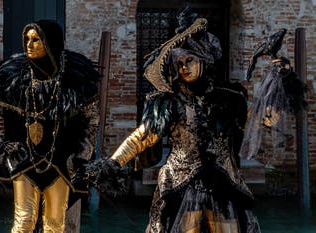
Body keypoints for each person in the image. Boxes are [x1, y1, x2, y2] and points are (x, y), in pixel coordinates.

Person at [74, 16, 261, 233]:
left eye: (189, 61)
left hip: (224, 183)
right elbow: (143, 136)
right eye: (179, 64)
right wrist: (113, 163)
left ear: (203, 60)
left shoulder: (229, 100)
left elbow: (257, 122)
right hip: (182, 184)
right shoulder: (168, 103)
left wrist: (275, 95)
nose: (184, 68)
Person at [0, 19, 100, 232]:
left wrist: (82, 155)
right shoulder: (14, 77)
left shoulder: (72, 79)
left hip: (60, 162)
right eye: (27, 39)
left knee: (55, 223)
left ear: (50, 43)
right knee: (24, 221)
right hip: (24, 160)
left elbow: (92, 119)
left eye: (36, 39)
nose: (29, 45)